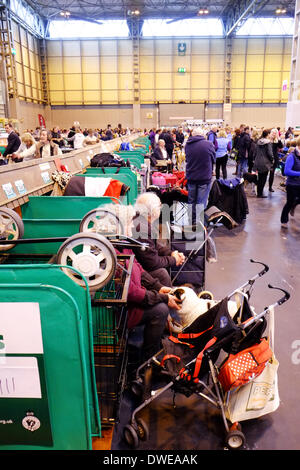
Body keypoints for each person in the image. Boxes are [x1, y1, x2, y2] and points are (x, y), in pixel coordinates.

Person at [100, 203, 182, 363]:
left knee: (161, 285)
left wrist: (159, 287)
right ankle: (148, 360)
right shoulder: (112, 254)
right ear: (118, 226)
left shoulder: (123, 245)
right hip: (119, 312)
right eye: (130, 223)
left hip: (129, 302)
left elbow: (139, 267)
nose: (133, 227)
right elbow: (132, 292)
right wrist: (162, 297)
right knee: (160, 310)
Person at [132, 192, 185, 287]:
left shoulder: (140, 220)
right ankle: (169, 299)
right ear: (152, 211)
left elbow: (153, 245)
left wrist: (170, 253)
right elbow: (152, 263)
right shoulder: (142, 228)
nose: (161, 208)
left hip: (138, 263)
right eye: (159, 206)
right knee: (162, 274)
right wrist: (173, 259)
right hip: (137, 268)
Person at [185, 127, 215, 223]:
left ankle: (191, 222)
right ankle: (199, 225)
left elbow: (187, 159)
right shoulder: (208, 144)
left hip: (191, 176)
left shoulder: (187, 145)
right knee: (201, 203)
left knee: (191, 202)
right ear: (203, 135)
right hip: (204, 177)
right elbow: (213, 159)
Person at [280, 136, 300, 229]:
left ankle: (294, 204)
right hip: (292, 184)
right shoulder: (291, 156)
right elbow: (287, 171)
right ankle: (284, 220)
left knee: (294, 201)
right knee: (289, 203)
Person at [253, 129, 274, 198]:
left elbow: (255, 152)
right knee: (263, 178)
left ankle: (259, 193)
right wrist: (272, 160)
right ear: (268, 134)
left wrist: (254, 159)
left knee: (260, 177)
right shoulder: (268, 143)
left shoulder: (258, 141)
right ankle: (260, 194)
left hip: (258, 161)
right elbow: (270, 153)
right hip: (265, 163)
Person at [268, 128, 283, 192]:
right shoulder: (267, 140)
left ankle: (270, 187)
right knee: (264, 173)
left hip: (274, 158)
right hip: (267, 158)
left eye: (275, 133)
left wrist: (279, 138)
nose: (274, 134)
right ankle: (261, 187)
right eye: (273, 132)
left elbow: (281, 146)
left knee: (272, 173)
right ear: (271, 133)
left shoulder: (277, 141)